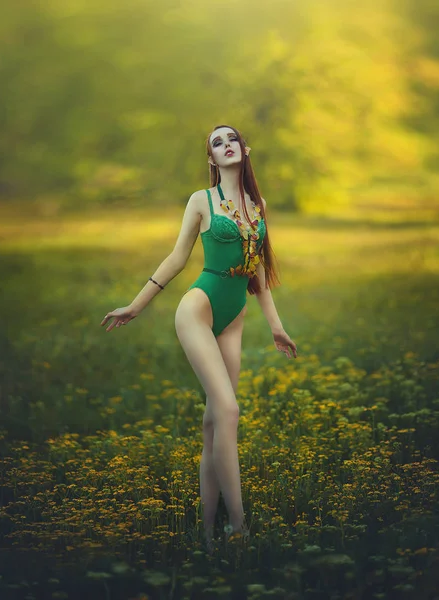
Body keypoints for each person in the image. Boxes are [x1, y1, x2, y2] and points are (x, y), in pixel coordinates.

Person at [100, 124, 298, 554]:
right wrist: (136, 304)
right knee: (228, 409)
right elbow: (177, 256)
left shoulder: (256, 204)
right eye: (217, 143)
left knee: (213, 426)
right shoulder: (202, 200)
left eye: (232, 140)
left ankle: (206, 534)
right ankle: (239, 528)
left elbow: (259, 270)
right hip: (199, 306)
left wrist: (277, 326)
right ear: (212, 158)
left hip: (234, 316)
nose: (226, 146)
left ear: (245, 149)